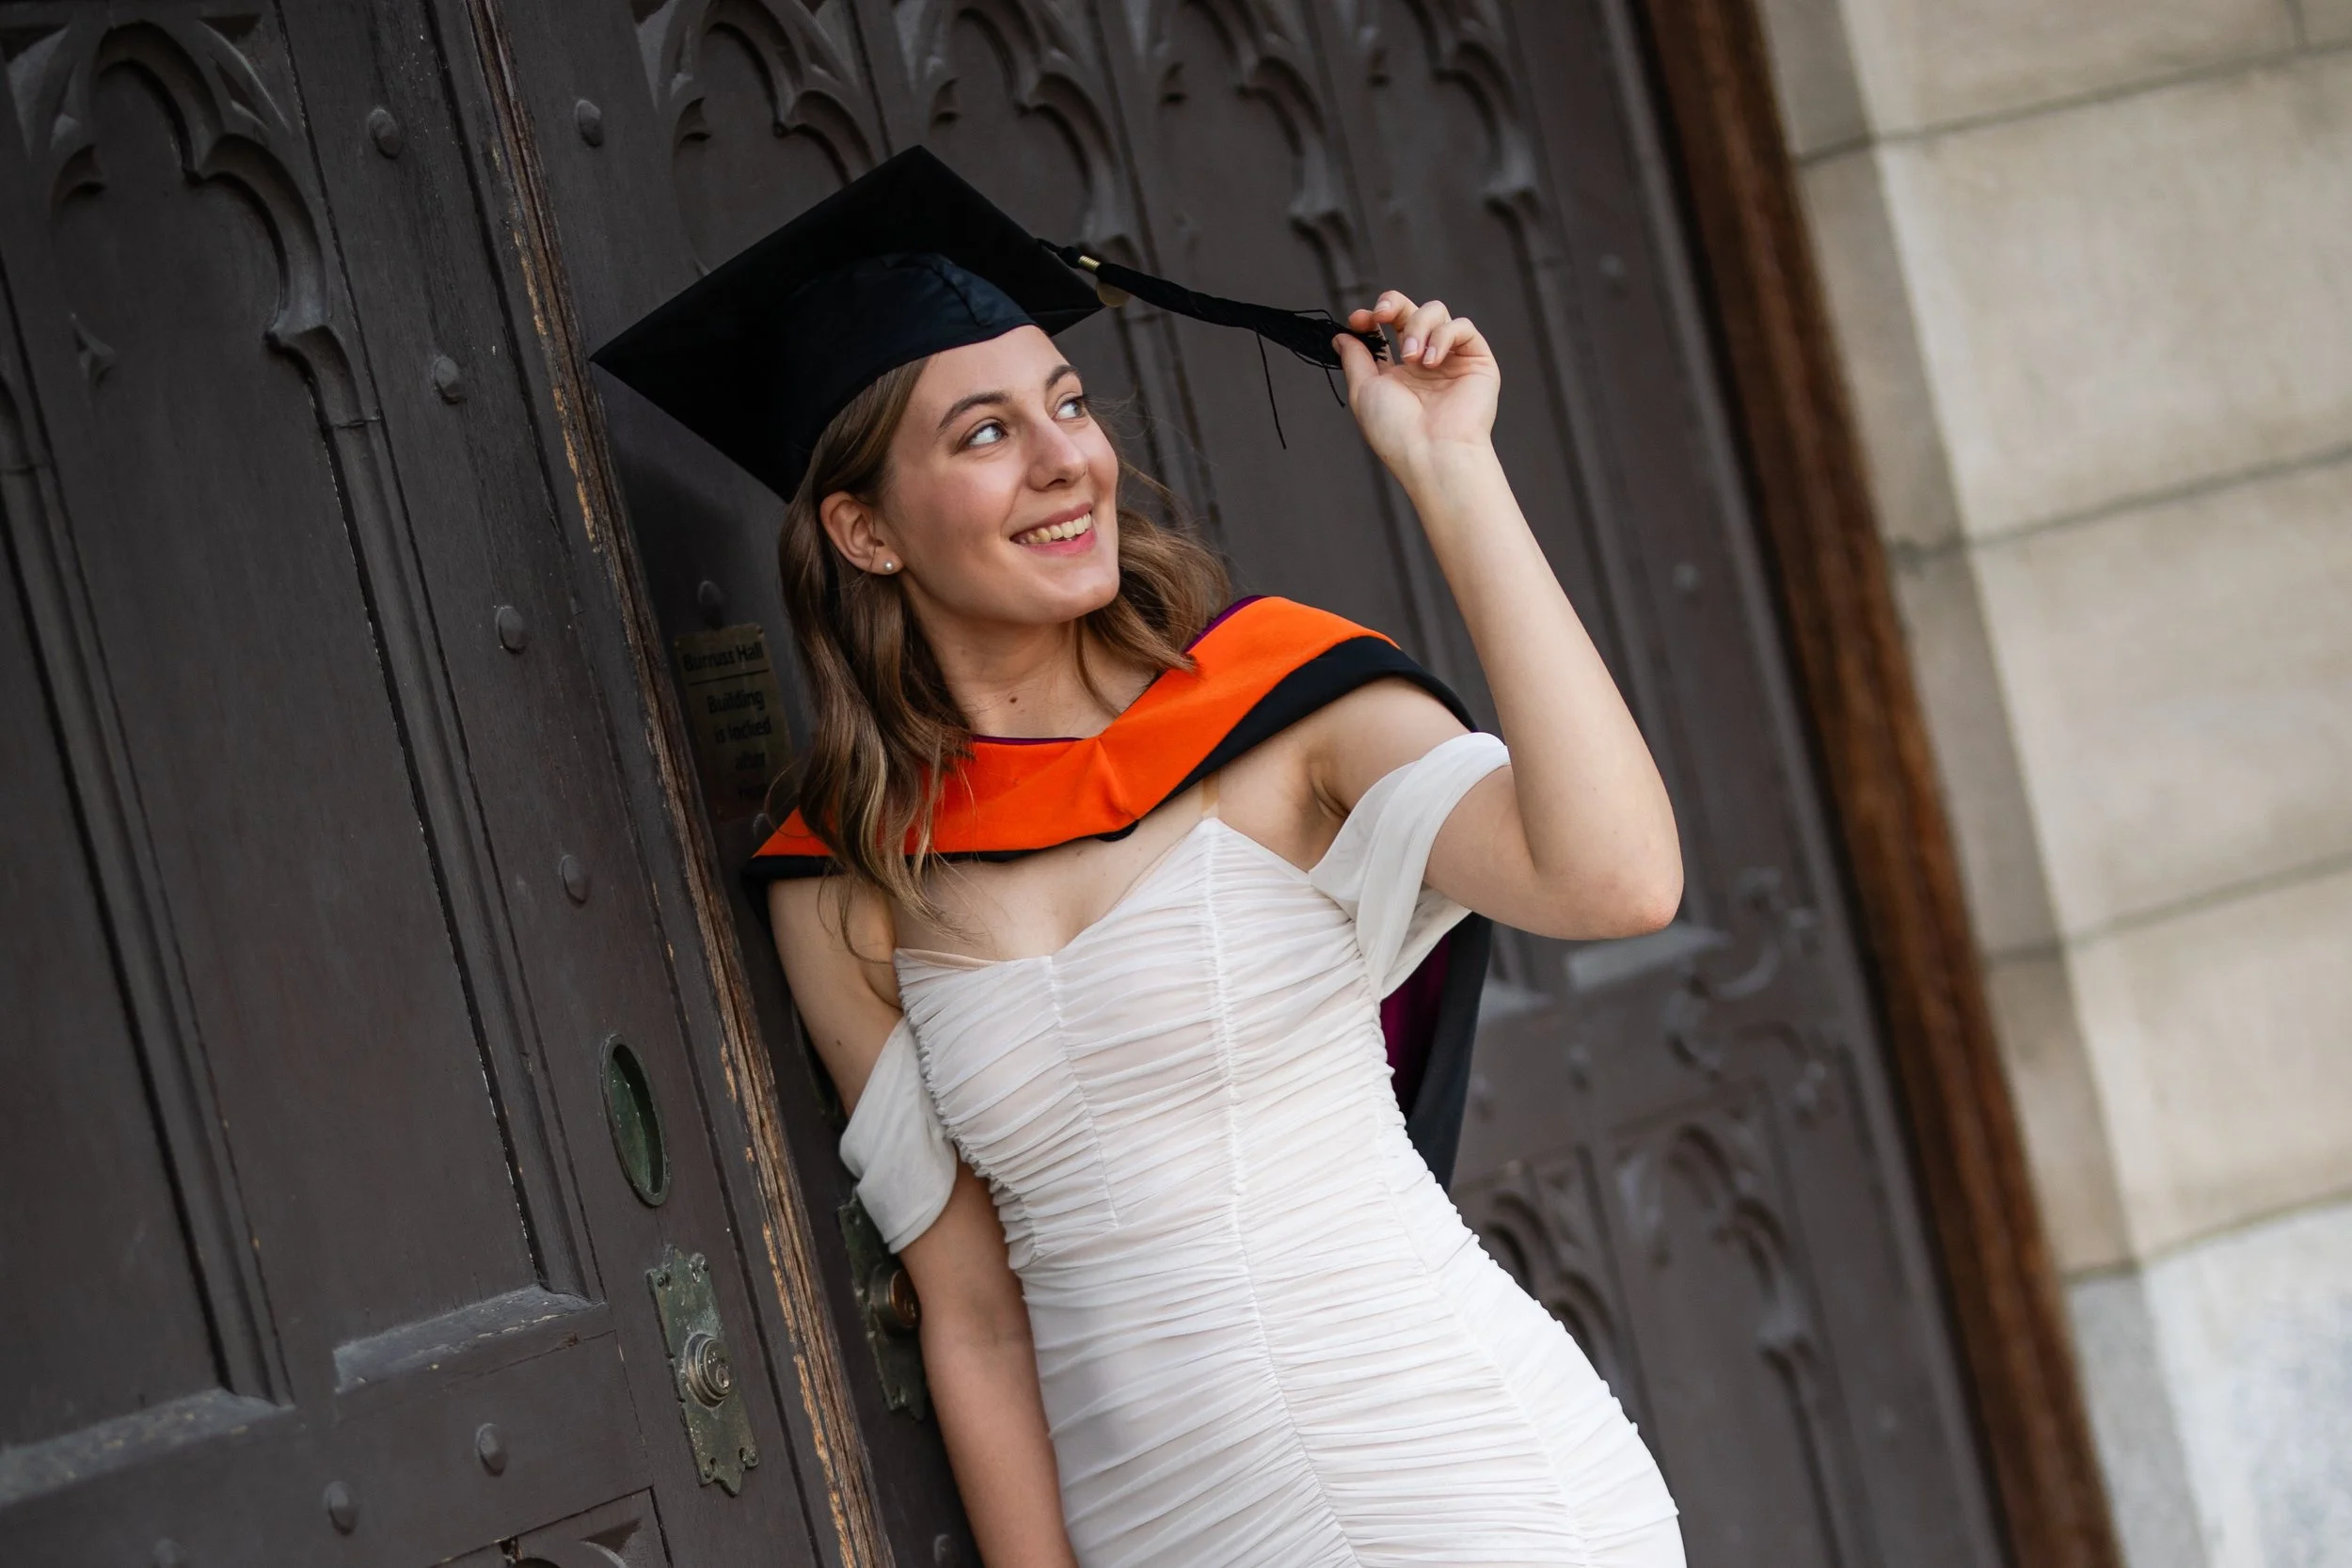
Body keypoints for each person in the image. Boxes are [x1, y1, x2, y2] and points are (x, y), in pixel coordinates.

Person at [597, 149, 1687, 1567]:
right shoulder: (852, 879)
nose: (1067, 459)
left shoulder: (1285, 710)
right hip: (1158, 1527)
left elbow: (1619, 881)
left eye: (1067, 403)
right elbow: (974, 1312)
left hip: (1454, 1469)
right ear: (864, 529)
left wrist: (1452, 469)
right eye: (984, 432)